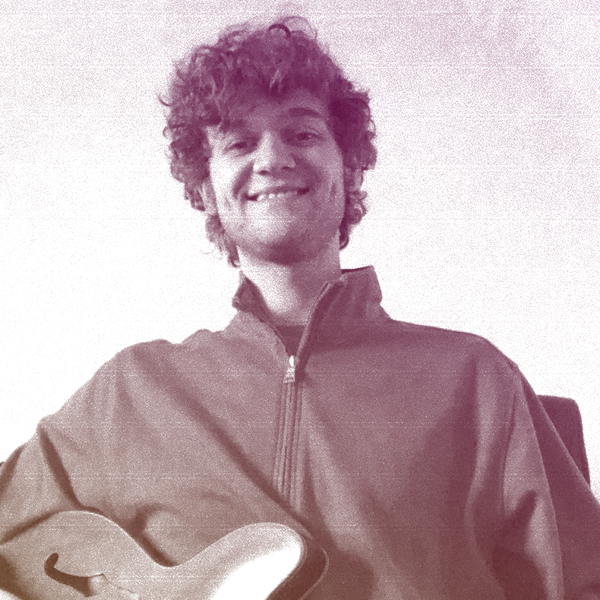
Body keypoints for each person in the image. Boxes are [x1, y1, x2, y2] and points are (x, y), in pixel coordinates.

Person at [1, 16, 600, 600]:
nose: (272, 158)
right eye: (239, 142)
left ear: (350, 165)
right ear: (206, 188)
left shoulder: (475, 379)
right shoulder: (131, 390)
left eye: (303, 134)